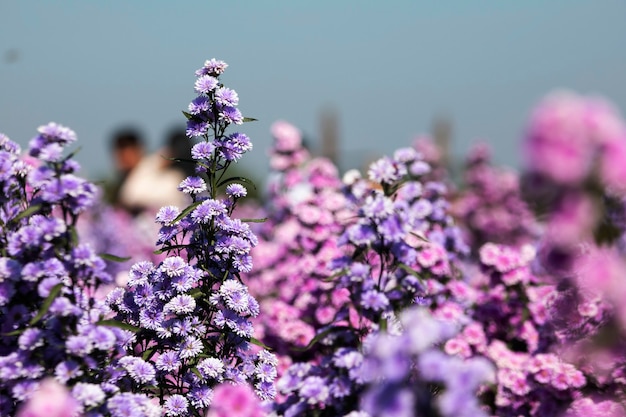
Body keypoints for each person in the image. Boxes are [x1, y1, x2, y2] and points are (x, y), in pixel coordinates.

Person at [118, 126, 194, 213]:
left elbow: (131, 197)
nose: (122, 158)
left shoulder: (156, 169)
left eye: (125, 152)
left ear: (138, 148)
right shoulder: (141, 172)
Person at [105, 127, 145, 213]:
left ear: (139, 150)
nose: (122, 157)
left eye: (125, 150)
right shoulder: (121, 182)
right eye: (119, 151)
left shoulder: (152, 175)